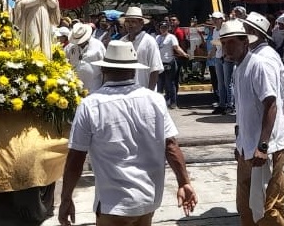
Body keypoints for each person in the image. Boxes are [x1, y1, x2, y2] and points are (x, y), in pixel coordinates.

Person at [58, 40, 197, 226]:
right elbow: (171, 145)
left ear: (104, 70)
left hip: (113, 203)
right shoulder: (155, 100)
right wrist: (184, 182)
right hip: (147, 201)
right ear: (134, 70)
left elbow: (76, 157)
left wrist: (66, 198)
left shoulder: (91, 105)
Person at [219, 19, 284, 226]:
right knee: (246, 207)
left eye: (231, 42)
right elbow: (243, 110)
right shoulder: (239, 68)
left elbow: (271, 104)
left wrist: (263, 145)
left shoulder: (259, 64)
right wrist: (239, 142)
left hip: (265, 147)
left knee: (267, 208)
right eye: (224, 43)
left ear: (245, 42)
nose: (227, 48)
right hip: (246, 148)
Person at [120, 6, 163, 91]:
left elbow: (155, 69)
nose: (130, 24)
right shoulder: (122, 41)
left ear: (141, 23)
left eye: (133, 21)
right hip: (125, 92)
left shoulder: (149, 42)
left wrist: (149, 93)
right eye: (127, 21)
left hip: (144, 91)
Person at [156, 20, 189, 109]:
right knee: (160, 84)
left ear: (168, 28)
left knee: (170, 83)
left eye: (165, 27)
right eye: (162, 27)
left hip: (170, 62)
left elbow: (176, 47)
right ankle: (163, 101)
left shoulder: (171, 37)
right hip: (160, 63)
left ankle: (173, 102)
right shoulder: (157, 38)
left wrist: (184, 54)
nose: (163, 29)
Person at [65, 22, 105, 94]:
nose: (79, 43)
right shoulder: (70, 47)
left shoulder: (98, 45)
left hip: (94, 88)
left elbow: (105, 67)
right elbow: (65, 61)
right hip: (75, 89)